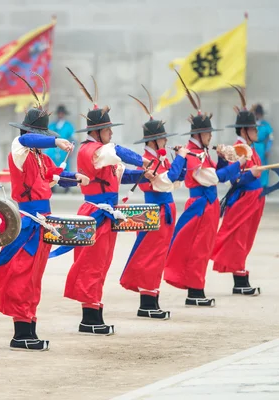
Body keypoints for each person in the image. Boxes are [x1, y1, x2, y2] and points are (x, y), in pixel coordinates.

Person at [0, 71, 88, 351]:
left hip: (43, 221)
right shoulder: (20, 148)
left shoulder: (39, 156)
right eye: (40, 136)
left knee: (35, 275)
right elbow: (27, 142)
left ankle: (29, 327)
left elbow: (58, 174)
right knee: (22, 274)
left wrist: (78, 177)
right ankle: (21, 332)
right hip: (27, 220)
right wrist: (56, 142)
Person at [51, 69, 150, 335]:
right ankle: (90, 318)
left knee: (101, 264)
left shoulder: (102, 154)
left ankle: (94, 315)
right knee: (91, 265)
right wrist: (143, 160)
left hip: (106, 212)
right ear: (99, 131)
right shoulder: (93, 150)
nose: (111, 134)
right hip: (95, 212)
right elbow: (117, 153)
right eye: (108, 130)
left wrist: (143, 172)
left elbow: (118, 173)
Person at [163, 76, 244, 307]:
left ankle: (196, 289)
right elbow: (214, 178)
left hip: (207, 205)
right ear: (199, 134)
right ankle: (195, 292)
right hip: (200, 205)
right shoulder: (192, 154)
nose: (210, 137)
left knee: (202, 248)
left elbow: (214, 173)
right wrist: (239, 164)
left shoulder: (200, 151)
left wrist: (222, 158)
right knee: (197, 249)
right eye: (208, 134)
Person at [119, 89, 187, 319]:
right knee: (151, 255)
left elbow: (177, 178)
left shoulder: (159, 157)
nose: (166, 140)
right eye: (163, 137)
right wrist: (181, 157)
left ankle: (151, 300)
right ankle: (147, 303)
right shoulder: (149, 160)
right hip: (155, 210)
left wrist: (181, 161)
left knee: (159, 254)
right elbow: (164, 182)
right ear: (155, 139)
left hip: (164, 209)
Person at [212, 87, 263, 295]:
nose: (256, 132)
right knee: (239, 238)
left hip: (254, 198)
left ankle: (241, 279)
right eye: (253, 129)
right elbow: (235, 178)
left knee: (247, 237)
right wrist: (252, 174)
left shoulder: (249, 148)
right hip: (244, 198)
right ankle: (240, 281)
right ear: (244, 131)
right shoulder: (237, 149)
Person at [253, 104, 273, 188]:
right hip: (252, 146)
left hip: (262, 148)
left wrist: (268, 149)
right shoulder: (252, 124)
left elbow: (271, 138)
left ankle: (263, 185)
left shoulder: (266, 125)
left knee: (263, 166)